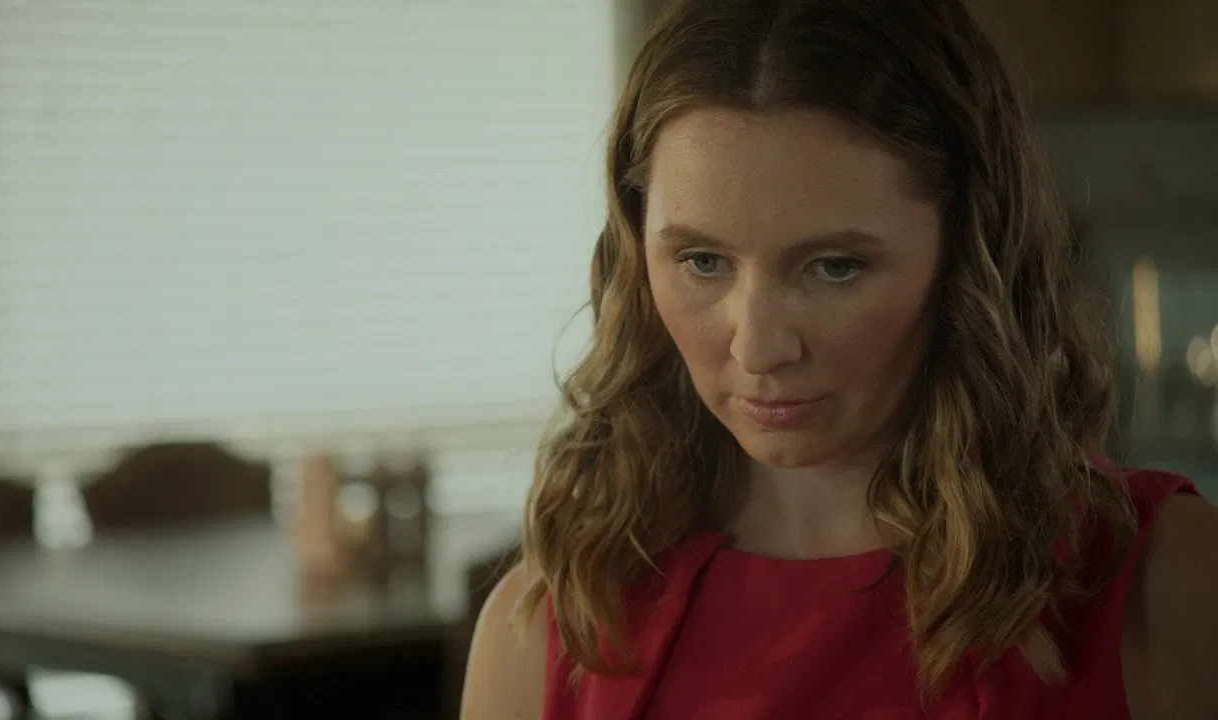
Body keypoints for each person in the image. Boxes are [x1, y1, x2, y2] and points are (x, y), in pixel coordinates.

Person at [461, 0, 1218, 717]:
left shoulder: (1169, 585)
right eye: (701, 261)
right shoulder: (545, 629)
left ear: (966, 257)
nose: (759, 347)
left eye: (834, 267)